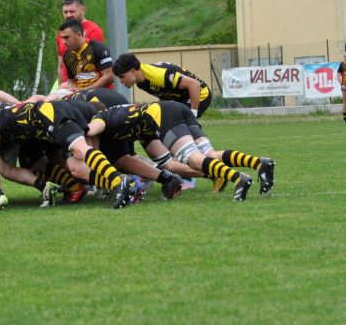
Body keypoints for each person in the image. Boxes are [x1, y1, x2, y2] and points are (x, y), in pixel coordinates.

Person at [0, 100, 136, 211]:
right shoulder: (1, 116)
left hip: (51, 115)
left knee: (80, 151)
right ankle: (126, 184)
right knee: (75, 156)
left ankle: (120, 183)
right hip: (57, 111)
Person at [87, 101, 275, 201]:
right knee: (208, 156)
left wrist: (78, 134)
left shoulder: (100, 116)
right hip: (172, 109)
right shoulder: (121, 115)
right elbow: (164, 161)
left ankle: (238, 179)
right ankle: (259, 163)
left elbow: (91, 130)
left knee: (192, 159)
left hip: (162, 115)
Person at [113, 53, 213, 118]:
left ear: (133, 71)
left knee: (179, 122)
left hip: (201, 94)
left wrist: (193, 114)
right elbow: (165, 94)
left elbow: (194, 85)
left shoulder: (159, 75)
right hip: (182, 97)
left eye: (122, 76)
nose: (121, 81)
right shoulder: (140, 82)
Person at [55, 0, 106, 87]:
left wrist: (79, 89)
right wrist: (61, 89)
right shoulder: (62, 33)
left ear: (82, 10)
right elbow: (60, 66)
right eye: (65, 12)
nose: (68, 15)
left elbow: (91, 66)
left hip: (89, 89)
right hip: (69, 89)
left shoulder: (93, 31)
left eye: (72, 11)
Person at [60, 19, 114, 92]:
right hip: (81, 95)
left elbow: (109, 77)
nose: (63, 42)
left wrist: (83, 90)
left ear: (79, 34)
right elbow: (72, 81)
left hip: (102, 93)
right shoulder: (67, 55)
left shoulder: (98, 48)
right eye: (62, 38)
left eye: (66, 38)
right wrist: (71, 90)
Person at [338, 51, 346, 124]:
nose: (345, 57)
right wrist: (341, 84)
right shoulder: (342, 65)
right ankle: (344, 119)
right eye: (344, 56)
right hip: (344, 86)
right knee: (345, 102)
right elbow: (338, 76)